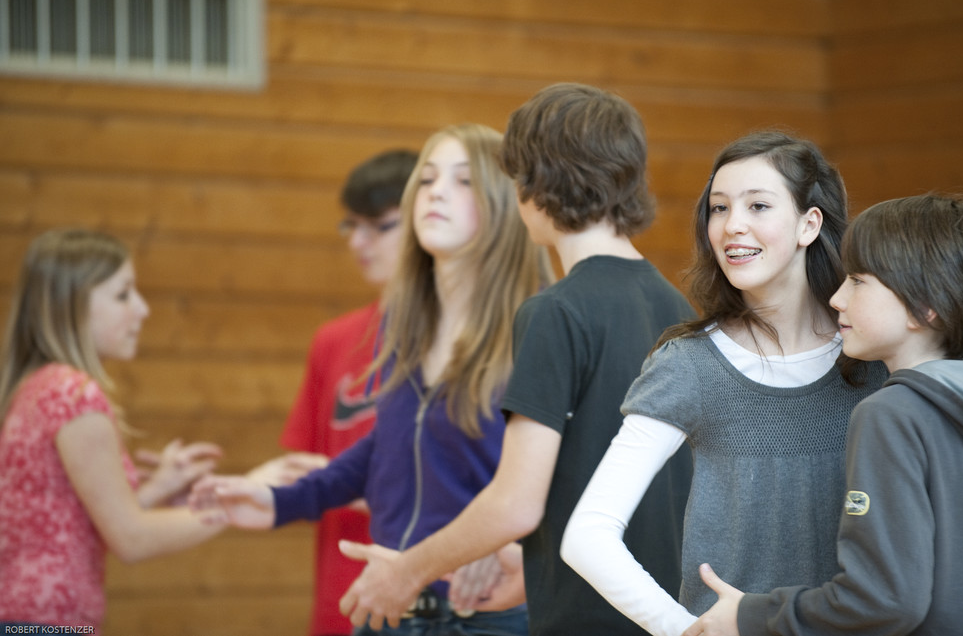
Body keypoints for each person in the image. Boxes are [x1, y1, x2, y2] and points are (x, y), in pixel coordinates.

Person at [335, 82, 697, 636]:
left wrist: (406, 572)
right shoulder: (678, 308)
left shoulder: (554, 312)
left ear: (535, 182)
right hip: (662, 611)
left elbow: (515, 503)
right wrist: (522, 558)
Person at [190, 123, 553, 636]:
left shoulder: (538, 329)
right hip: (393, 606)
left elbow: (566, 477)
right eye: (426, 180)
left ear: (504, 203)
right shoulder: (408, 328)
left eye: (462, 180)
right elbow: (385, 450)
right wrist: (280, 501)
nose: (436, 193)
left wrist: (510, 542)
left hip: (491, 616)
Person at [559, 130, 889, 636]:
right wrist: (684, 629)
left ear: (809, 224)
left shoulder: (873, 359)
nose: (732, 225)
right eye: (719, 208)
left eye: (758, 206)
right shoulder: (690, 364)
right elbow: (588, 535)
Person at [683, 193, 963, 636]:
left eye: (859, 281)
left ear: (926, 306)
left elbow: (883, 601)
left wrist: (751, 615)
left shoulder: (892, 414)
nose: (837, 297)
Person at [0, 228, 225, 632]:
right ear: (73, 307)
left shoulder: (36, 387)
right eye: (123, 295)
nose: (142, 309)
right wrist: (246, 500)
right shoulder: (72, 393)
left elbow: (67, 518)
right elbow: (130, 538)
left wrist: (157, 488)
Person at [247, 148, 417, 636]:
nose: (357, 241)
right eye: (351, 226)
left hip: (428, 597)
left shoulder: (460, 343)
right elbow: (307, 470)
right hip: (341, 595)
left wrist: (354, 487)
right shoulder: (334, 339)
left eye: (378, 226)